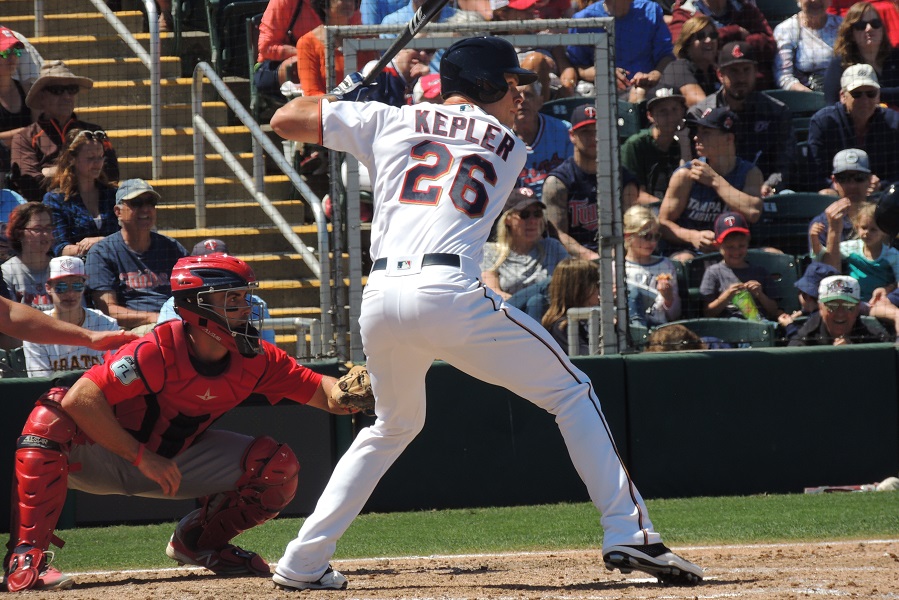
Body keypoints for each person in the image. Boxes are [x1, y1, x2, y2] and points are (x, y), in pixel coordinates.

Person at [269, 35, 703, 591]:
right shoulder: (504, 140)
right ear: (483, 87)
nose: (517, 97)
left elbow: (286, 119)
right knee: (572, 392)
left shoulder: (388, 119)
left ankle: (303, 560)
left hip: (378, 296)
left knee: (392, 425)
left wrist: (342, 99)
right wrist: (356, 108)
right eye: (507, 84)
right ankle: (630, 533)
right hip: (448, 289)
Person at [2, 254, 359, 592]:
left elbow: (324, 393)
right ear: (199, 304)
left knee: (275, 465)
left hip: (174, 463)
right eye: (232, 298)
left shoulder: (256, 357)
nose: (246, 307)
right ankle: (25, 557)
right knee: (50, 414)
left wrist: (353, 391)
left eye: (245, 296)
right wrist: (142, 457)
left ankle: (199, 543)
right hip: (107, 456)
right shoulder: (157, 347)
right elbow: (80, 399)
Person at [688, 41, 795, 197]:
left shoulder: (776, 112)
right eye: (733, 71)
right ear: (720, 74)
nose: (741, 78)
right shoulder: (700, 114)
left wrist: (770, 185)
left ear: (755, 72)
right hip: (713, 192)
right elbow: (693, 162)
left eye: (746, 70)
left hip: (764, 192)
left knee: (787, 195)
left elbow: (785, 163)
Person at [659, 106, 763, 261]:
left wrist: (715, 181)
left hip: (736, 252)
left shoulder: (750, 173)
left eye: (705, 133)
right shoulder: (686, 175)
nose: (696, 137)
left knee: (775, 256)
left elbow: (753, 212)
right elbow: (662, 223)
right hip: (692, 252)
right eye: (697, 131)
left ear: (729, 138)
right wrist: (692, 236)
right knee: (683, 259)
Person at [84, 179, 187, 334]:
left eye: (151, 202)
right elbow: (108, 310)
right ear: (118, 211)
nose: (146, 209)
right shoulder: (102, 252)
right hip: (131, 330)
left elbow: (190, 294)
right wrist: (156, 318)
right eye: (137, 203)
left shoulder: (171, 248)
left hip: (175, 322)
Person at [9, 61, 118, 203]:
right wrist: (85, 172)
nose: (66, 96)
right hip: (47, 216)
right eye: (57, 90)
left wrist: (50, 172)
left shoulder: (95, 132)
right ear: (42, 96)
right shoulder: (24, 138)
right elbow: (31, 186)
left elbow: (111, 174)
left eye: (72, 89)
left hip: (94, 208)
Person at [157, 238, 276, 345]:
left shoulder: (254, 302)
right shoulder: (175, 304)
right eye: (209, 263)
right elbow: (170, 347)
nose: (246, 308)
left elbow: (267, 348)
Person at [22, 255, 119, 377]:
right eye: (61, 287)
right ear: (48, 288)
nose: (70, 293)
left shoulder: (107, 325)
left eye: (77, 286)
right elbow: (40, 385)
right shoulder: (35, 331)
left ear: (84, 287)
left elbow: (114, 377)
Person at [806, 64, 899, 190]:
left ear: (878, 96)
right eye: (857, 94)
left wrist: (882, 185)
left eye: (871, 93)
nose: (865, 100)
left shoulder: (893, 122)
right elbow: (814, 175)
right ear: (843, 96)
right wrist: (837, 187)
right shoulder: (823, 122)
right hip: (836, 198)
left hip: (880, 199)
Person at [567, 0, 675, 103]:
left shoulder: (651, 10)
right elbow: (578, 67)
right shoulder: (584, 19)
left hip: (652, 89)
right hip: (606, 94)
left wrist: (654, 75)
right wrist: (603, 71)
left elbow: (667, 55)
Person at [42, 128, 120, 257]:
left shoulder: (113, 194)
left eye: (100, 157)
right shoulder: (55, 199)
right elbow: (60, 248)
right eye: (90, 158)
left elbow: (129, 236)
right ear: (72, 159)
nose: (97, 164)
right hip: (77, 269)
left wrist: (100, 241)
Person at [481, 187, 569, 302]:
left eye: (537, 214)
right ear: (508, 219)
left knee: (536, 301)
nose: (532, 221)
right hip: (511, 313)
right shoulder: (491, 251)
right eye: (525, 214)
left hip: (548, 314)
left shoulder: (552, 246)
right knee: (538, 297)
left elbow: (573, 279)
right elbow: (493, 292)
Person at [669, 0, 777, 90]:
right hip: (706, 86)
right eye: (702, 35)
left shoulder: (744, 8)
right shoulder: (685, 11)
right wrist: (734, 32)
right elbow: (680, 44)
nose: (709, 39)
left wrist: (732, 47)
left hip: (753, 90)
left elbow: (769, 45)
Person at [699, 211, 784, 320]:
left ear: (748, 243)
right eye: (730, 247)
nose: (736, 251)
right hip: (728, 326)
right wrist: (727, 295)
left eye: (741, 246)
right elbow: (708, 312)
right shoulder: (713, 272)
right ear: (718, 246)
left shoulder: (759, 271)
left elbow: (773, 310)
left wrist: (760, 294)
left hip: (759, 324)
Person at [542, 104, 600, 261]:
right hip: (573, 262)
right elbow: (558, 235)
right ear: (572, 135)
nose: (593, 138)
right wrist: (590, 256)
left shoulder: (619, 176)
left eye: (597, 131)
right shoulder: (558, 182)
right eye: (586, 132)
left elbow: (630, 226)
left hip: (617, 257)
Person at [818, 201, 899, 301]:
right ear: (857, 227)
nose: (867, 233)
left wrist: (888, 289)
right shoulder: (850, 247)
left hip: (879, 301)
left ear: (884, 231)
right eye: (864, 227)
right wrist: (814, 239)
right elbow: (825, 257)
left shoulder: (893, 254)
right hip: (850, 301)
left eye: (873, 229)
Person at [620, 87, 691, 202]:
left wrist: (685, 144)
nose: (670, 117)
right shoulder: (636, 144)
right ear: (650, 116)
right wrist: (668, 207)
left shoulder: (683, 143)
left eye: (675, 109)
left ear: (682, 111)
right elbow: (636, 195)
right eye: (663, 111)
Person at [822, 1, 899, 106]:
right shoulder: (841, 63)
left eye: (875, 24)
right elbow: (832, 103)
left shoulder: (895, 57)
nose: (869, 28)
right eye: (861, 26)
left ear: (882, 29)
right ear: (851, 33)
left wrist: (870, 93)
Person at [295, 0, 376, 98]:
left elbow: (377, 83)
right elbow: (311, 93)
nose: (349, 3)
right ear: (325, 4)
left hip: (366, 107)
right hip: (328, 109)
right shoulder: (307, 43)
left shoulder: (366, 38)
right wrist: (341, 102)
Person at [512, 79, 573, 199]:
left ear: (540, 101)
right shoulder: (499, 136)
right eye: (517, 95)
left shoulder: (563, 130)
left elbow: (573, 176)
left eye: (528, 95)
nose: (522, 100)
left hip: (559, 202)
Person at [788, 274, 892, 344]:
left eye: (848, 306)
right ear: (820, 307)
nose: (840, 314)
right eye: (832, 306)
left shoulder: (876, 339)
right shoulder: (804, 338)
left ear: (858, 308)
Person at [254, 0, 326, 99]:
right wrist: (306, 54)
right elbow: (266, 47)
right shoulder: (283, 2)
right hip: (272, 67)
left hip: (325, 63)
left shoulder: (345, 4)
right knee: (298, 64)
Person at [623, 205, 681, 326]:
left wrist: (669, 298)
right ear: (628, 236)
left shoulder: (666, 266)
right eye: (646, 236)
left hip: (658, 327)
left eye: (656, 236)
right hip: (627, 328)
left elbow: (675, 315)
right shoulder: (617, 267)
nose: (653, 242)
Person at [808, 148, 875, 252]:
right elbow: (822, 267)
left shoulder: (883, 218)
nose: (852, 186)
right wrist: (833, 231)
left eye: (859, 177)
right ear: (834, 181)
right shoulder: (822, 224)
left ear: (870, 180)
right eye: (844, 178)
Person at [774, 0, 842, 92]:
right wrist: (811, 96)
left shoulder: (841, 26)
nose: (815, 0)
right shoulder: (786, 29)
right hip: (807, 97)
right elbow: (784, 77)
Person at [539, 257, 600, 354]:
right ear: (580, 289)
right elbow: (589, 357)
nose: (600, 290)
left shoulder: (593, 318)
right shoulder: (561, 326)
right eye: (596, 285)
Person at [2, 202, 54, 312]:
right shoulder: (7, 272)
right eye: (37, 229)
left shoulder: (61, 267)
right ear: (19, 233)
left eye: (48, 228)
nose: (45, 234)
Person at [659, 15, 721, 106]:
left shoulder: (714, 71)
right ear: (687, 43)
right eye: (700, 36)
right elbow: (699, 103)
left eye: (713, 35)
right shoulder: (678, 68)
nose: (709, 40)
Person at [779, 260, 840, 341]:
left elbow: (798, 343)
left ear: (806, 296)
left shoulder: (816, 319)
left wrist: (789, 325)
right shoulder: (839, 310)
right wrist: (801, 312)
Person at [0, 27, 31, 180]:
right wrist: (23, 133)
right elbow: (32, 133)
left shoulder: (26, 90)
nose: (12, 58)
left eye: (16, 52)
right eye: (5, 53)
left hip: (26, 168)